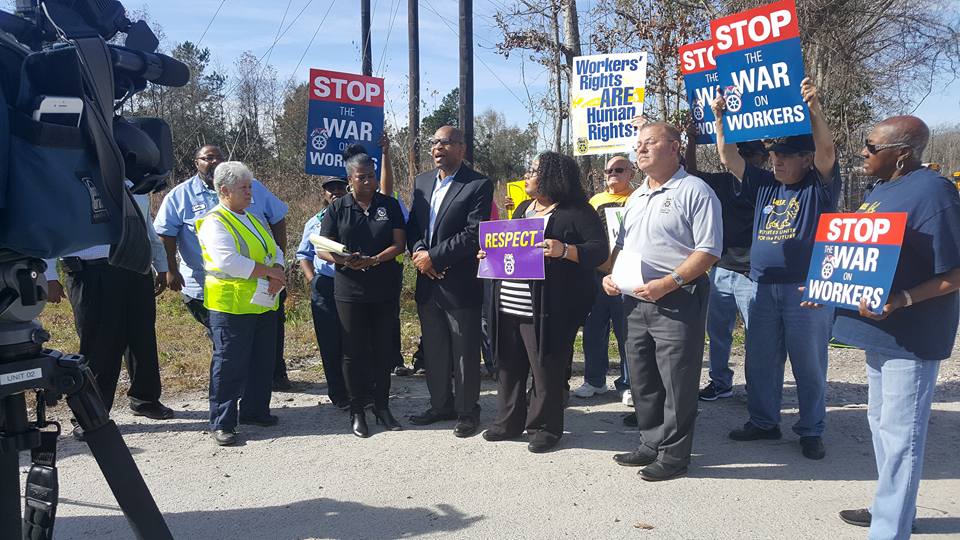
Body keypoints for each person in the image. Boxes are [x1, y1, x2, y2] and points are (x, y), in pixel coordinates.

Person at [827, 116, 960, 538]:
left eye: (871, 146)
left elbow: (955, 271)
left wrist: (903, 299)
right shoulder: (880, 191)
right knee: (882, 426)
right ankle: (890, 507)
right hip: (877, 331)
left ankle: (890, 528)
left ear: (901, 154)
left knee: (902, 435)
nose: (863, 153)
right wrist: (827, 284)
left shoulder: (935, 193)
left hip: (912, 336)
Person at [712, 78, 841, 460]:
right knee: (761, 360)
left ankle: (811, 429)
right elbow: (728, 158)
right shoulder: (766, 185)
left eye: (786, 155)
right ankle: (764, 422)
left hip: (806, 290)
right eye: (774, 155)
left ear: (806, 159)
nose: (777, 160)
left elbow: (828, 148)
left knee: (809, 365)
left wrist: (814, 108)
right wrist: (721, 119)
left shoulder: (820, 188)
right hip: (763, 287)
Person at [603, 121, 722, 482]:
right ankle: (650, 441)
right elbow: (623, 246)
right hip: (635, 300)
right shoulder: (636, 196)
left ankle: (674, 454)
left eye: (649, 143)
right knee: (642, 375)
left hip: (677, 299)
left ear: (674, 147)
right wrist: (611, 275)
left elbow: (709, 250)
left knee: (677, 380)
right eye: (638, 144)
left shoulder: (696, 192)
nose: (640, 150)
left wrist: (668, 283)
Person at [481, 152, 608, 453]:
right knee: (509, 367)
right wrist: (490, 256)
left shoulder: (577, 211)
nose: (527, 175)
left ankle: (544, 428)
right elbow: (510, 248)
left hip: (547, 309)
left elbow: (599, 251)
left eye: (534, 170)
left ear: (552, 176)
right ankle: (508, 421)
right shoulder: (524, 208)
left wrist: (564, 249)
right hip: (508, 303)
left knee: (545, 370)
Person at [153, 145, 292, 391]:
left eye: (219, 157)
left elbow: (275, 225)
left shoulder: (250, 200)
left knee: (261, 346)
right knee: (229, 351)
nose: (214, 161)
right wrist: (169, 269)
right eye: (208, 158)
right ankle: (228, 409)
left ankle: (261, 395)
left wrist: (277, 267)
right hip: (211, 290)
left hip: (261, 290)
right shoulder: (183, 197)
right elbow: (166, 234)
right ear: (196, 163)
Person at [44, 187, 174, 440]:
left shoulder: (134, 187)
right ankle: (90, 413)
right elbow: (53, 227)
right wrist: (49, 275)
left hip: (135, 267)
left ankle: (145, 399)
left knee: (141, 338)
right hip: (91, 272)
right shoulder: (73, 181)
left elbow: (147, 229)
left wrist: (161, 265)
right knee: (99, 344)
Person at [406, 126, 493, 438]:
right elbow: (413, 225)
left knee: (464, 351)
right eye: (433, 143)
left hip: (459, 283)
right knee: (435, 348)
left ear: (462, 148)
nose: (437, 148)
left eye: (444, 142)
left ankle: (468, 411)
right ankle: (440, 404)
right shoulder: (422, 182)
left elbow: (473, 233)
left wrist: (435, 258)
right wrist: (418, 253)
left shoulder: (478, 184)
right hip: (427, 281)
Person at [195, 161, 285, 446]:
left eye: (250, 187)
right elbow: (228, 261)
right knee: (229, 365)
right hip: (231, 306)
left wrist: (278, 271)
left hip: (262, 302)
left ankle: (255, 410)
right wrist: (270, 271)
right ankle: (222, 422)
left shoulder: (251, 217)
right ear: (224, 191)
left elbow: (275, 248)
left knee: (262, 361)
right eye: (244, 188)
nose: (250, 193)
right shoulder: (215, 221)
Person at [318, 152, 406, 438]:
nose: (368, 182)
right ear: (349, 180)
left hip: (383, 287)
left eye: (371, 175)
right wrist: (344, 260)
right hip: (349, 290)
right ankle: (357, 410)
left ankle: (382, 406)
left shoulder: (388, 205)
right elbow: (321, 248)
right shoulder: (337, 208)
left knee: (382, 350)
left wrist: (375, 260)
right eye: (362, 177)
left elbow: (399, 244)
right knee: (353, 352)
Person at [684, 132, 767, 401]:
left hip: (754, 272)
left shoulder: (771, 185)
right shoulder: (722, 182)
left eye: (750, 154)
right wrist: (693, 141)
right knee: (718, 332)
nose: (743, 158)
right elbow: (691, 172)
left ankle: (758, 388)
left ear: (763, 158)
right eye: (739, 152)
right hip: (721, 267)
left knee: (757, 337)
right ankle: (720, 382)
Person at [574, 155, 635, 404]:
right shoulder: (595, 201)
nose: (612, 173)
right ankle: (594, 380)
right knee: (593, 331)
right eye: (608, 170)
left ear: (631, 173)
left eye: (619, 169)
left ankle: (628, 383)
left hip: (628, 277)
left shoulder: (638, 198)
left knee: (627, 334)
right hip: (597, 277)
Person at [297, 177, 350, 410]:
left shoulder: (354, 215)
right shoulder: (314, 222)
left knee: (354, 339)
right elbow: (304, 254)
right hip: (325, 284)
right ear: (324, 194)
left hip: (351, 283)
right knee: (330, 341)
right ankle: (338, 394)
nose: (336, 192)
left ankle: (359, 389)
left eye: (340, 187)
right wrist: (312, 279)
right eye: (331, 189)